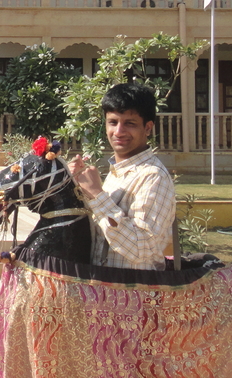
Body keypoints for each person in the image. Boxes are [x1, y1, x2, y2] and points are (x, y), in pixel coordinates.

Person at [68, 82, 175, 270]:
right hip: (105, 290)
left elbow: (141, 249)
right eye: (113, 122)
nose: (118, 132)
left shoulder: (153, 176)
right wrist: (77, 187)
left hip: (136, 293)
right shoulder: (117, 173)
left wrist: (97, 195)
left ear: (148, 128)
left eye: (130, 123)